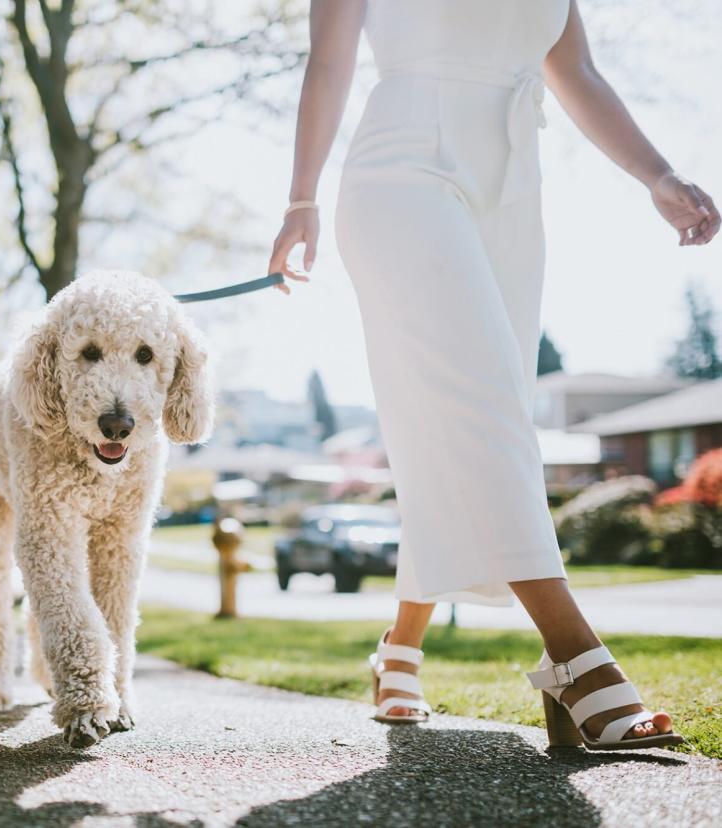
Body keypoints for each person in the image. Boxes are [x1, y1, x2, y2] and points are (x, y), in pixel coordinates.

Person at [268, 0, 719, 750]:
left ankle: (401, 646)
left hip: (512, 194)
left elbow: (574, 71)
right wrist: (301, 198)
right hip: (400, 173)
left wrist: (657, 175)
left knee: (471, 426)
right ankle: (574, 657)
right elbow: (329, 59)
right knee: (480, 413)